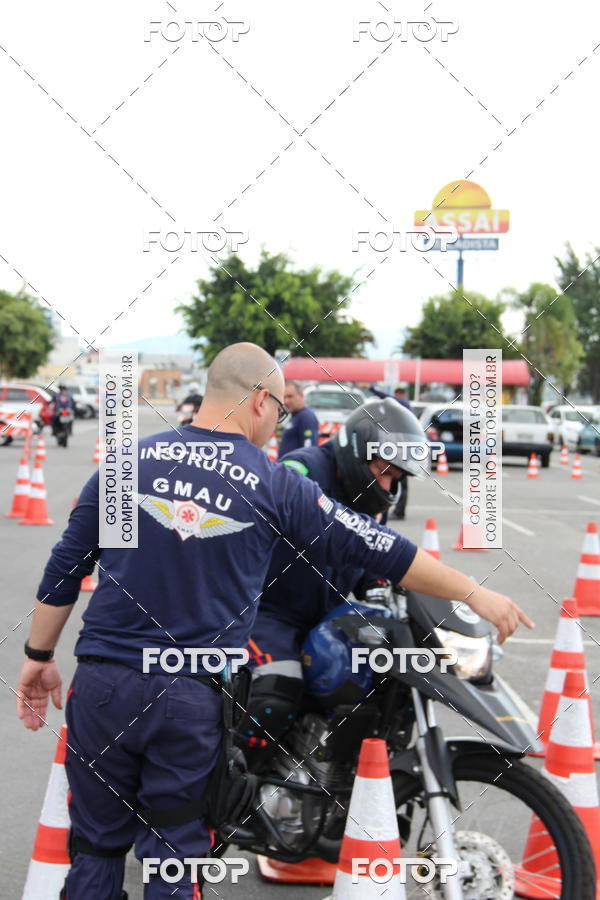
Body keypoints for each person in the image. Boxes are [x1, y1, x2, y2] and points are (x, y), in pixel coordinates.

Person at [15, 344, 531, 899]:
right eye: (280, 410)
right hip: (190, 697)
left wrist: (38, 660)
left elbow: (65, 570)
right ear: (260, 400)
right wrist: (475, 592)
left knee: (94, 848)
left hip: (102, 686)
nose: (280, 423)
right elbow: (381, 548)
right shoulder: (272, 482)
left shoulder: (125, 465)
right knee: (176, 857)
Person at [241, 396, 532, 757]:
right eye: (384, 471)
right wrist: (472, 592)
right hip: (264, 613)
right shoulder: (302, 470)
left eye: (396, 477)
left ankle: (332, 773)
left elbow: (374, 565)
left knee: (383, 679)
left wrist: (382, 588)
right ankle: (238, 790)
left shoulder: (372, 499)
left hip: (322, 616)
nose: (389, 485)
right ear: (358, 451)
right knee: (277, 690)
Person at [368, 384, 413, 518]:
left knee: (400, 481)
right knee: (397, 481)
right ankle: (397, 510)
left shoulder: (404, 404)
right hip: (400, 448)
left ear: (401, 395)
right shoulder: (399, 410)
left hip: (403, 449)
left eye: (397, 395)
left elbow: (389, 398)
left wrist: (373, 389)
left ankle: (399, 512)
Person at [277, 381, 319, 457]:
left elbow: (309, 449)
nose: (286, 401)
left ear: (301, 396)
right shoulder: (295, 414)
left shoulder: (306, 416)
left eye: (290, 396)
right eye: (284, 397)